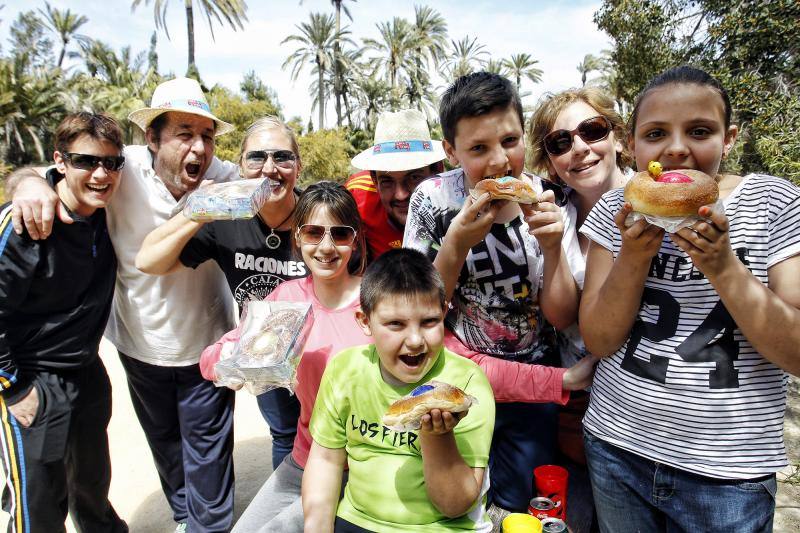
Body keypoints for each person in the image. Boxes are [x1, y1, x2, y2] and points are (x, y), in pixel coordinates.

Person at [7, 77, 240, 532]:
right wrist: (28, 184)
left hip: (207, 345)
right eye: (183, 134)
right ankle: (183, 516)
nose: (199, 148)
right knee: (165, 446)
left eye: (207, 135)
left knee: (208, 456)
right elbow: (47, 173)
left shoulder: (222, 175)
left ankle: (208, 526)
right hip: (138, 345)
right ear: (151, 138)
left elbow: (271, 180)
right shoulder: (118, 167)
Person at [579, 65, 800, 532]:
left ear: (729, 139)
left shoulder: (773, 204)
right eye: (656, 133)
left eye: (699, 131)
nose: (677, 148)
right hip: (617, 446)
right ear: (632, 145)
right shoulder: (615, 211)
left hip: (728, 473)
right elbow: (598, 340)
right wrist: (634, 258)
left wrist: (723, 266)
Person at [404, 71, 596, 517]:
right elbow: (417, 307)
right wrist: (455, 244)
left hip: (535, 383)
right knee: (453, 502)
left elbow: (561, 315)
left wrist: (553, 247)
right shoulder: (433, 200)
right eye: (478, 149)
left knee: (517, 507)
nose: (499, 162)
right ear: (450, 151)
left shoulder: (552, 198)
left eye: (510, 141)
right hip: (458, 380)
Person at [136, 115, 307, 469]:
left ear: (298, 165)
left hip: (320, 352)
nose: (269, 168)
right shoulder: (226, 221)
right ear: (240, 167)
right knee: (285, 435)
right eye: (256, 157)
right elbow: (148, 260)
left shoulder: (318, 215)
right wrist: (198, 211)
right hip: (267, 358)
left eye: (282, 157)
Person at [198, 181, 370, 532]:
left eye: (339, 233)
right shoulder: (287, 299)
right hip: (306, 456)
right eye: (313, 232)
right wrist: (231, 362)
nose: (326, 246)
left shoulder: (376, 300)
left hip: (365, 465)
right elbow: (214, 357)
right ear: (298, 238)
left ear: (355, 240)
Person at [302, 248, 496, 532]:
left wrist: (437, 436)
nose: (415, 340)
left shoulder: (464, 386)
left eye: (429, 322)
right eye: (396, 324)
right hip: (358, 519)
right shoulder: (345, 370)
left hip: (440, 526)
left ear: (444, 313)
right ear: (365, 321)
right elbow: (325, 461)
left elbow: (456, 504)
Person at [0, 112, 128, 532]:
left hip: (86, 371)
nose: (101, 174)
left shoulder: (105, 214)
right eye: (86, 161)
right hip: (35, 379)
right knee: (39, 502)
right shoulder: (27, 221)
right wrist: (13, 387)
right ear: (59, 161)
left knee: (91, 485)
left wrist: (28, 178)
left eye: (111, 163)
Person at [527, 86, 632, 532]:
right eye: (560, 142)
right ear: (550, 160)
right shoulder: (560, 215)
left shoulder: (653, 203)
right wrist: (552, 247)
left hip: (646, 401)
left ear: (618, 138)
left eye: (593, 130)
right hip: (580, 397)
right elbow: (560, 316)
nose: (580, 148)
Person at [346, 109, 445, 261]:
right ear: (374, 180)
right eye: (387, 181)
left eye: (414, 177)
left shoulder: (458, 201)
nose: (401, 195)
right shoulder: (356, 199)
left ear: (437, 171)